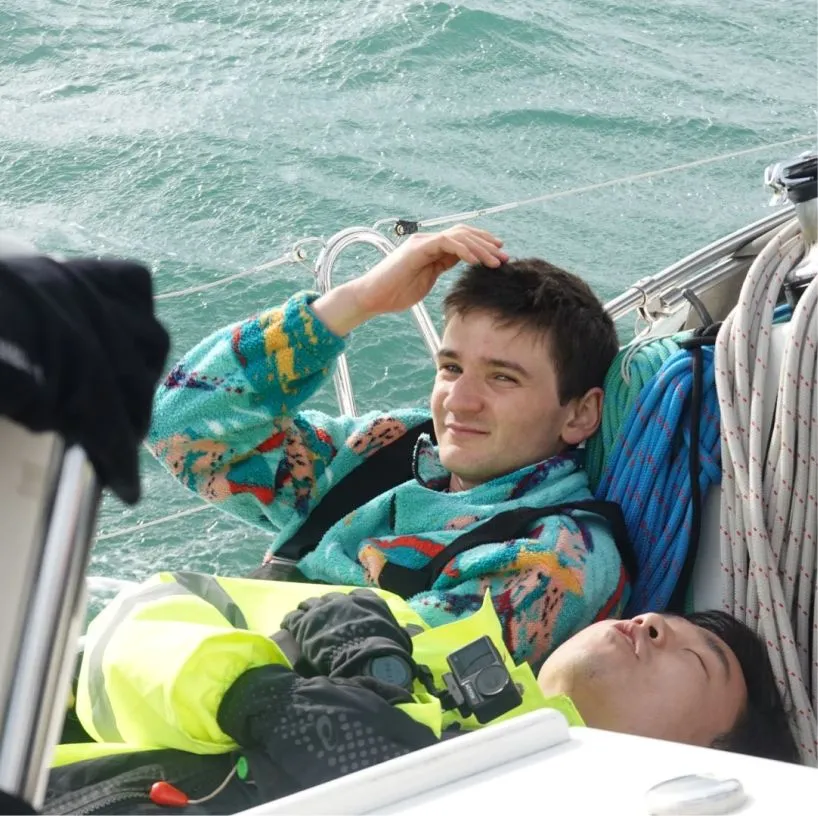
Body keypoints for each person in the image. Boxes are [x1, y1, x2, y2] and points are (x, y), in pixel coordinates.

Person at [148, 225, 627, 667]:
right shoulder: (385, 449)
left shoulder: (558, 557)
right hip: (205, 678)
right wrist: (355, 302)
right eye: (451, 368)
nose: (459, 401)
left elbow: (382, 670)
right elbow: (180, 428)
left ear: (580, 413)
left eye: (502, 378)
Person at [44, 576, 798, 815]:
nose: (651, 628)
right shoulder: (415, 636)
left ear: (703, 759)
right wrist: (258, 691)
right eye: (654, 619)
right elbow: (142, 619)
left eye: (698, 662)